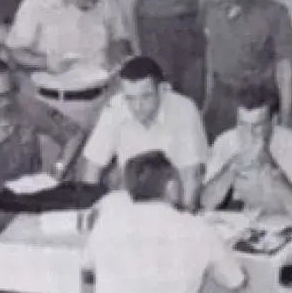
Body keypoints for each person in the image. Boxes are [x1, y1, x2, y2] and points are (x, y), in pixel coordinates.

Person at [0, 58, 85, 237]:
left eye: (9, 93)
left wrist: (57, 171)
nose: (5, 103)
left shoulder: (25, 105)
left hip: (23, 207)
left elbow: (75, 134)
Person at [83, 151, 246, 293]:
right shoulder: (199, 229)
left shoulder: (106, 223)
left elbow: (87, 273)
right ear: (171, 187)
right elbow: (236, 281)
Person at [7, 0, 131, 127]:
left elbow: (120, 37)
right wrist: (45, 62)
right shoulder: (35, 6)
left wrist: (117, 56)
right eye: (86, 0)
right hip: (58, 105)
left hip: (102, 99)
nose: (92, 4)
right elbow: (15, 52)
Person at [79, 56, 208, 210]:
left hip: (172, 203)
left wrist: (184, 219)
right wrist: (87, 210)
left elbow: (191, 175)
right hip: (129, 202)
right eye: (130, 98)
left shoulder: (184, 109)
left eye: (146, 96)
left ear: (162, 89)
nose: (137, 107)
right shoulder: (115, 107)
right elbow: (93, 167)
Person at [202, 0, 292, 137]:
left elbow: (286, 72)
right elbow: (210, 52)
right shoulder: (211, 5)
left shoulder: (274, 13)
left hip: (257, 102)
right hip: (221, 98)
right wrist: (208, 100)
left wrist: (287, 120)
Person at [200, 84, 292, 219]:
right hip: (243, 224)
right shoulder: (225, 142)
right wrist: (232, 167)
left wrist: (270, 167)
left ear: (273, 121)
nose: (249, 133)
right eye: (242, 124)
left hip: (285, 224)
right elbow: (206, 203)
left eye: (257, 126)